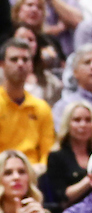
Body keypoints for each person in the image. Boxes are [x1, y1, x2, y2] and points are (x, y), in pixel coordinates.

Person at [0, 38, 55, 170]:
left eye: (25, 59)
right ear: (2, 64)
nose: (20, 64)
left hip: (34, 171)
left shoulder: (41, 107)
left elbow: (48, 152)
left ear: (31, 65)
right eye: (14, 59)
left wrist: (40, 169)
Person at [42, 100, 92, 213]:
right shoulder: (56, 157)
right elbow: (62, 197)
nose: (83, 125)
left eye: (88, 120)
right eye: (77, 120)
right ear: (67, 124)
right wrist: (91, 178)